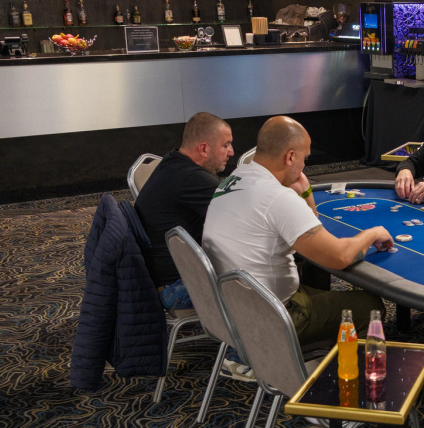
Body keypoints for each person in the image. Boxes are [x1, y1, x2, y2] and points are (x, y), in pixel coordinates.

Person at [202, 115, 390, 346]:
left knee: (315, 275)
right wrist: (373, 233)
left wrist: (305, 190)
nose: (304, 166)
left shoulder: (233, 179)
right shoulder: (277, 197)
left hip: (232, 307)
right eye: (305, 158)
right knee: (371, 306)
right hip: (272, 317)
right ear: (290, 156)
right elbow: (339, 257)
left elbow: (310, 226)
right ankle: (327, 363)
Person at [135, 112, 234, 311]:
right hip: (176, 288)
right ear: (204, 149)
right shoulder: (192, 178)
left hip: (163, 280)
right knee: (264, 277)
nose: (231, 152)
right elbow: (247, 218)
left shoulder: (174, 163)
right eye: (226, 145)